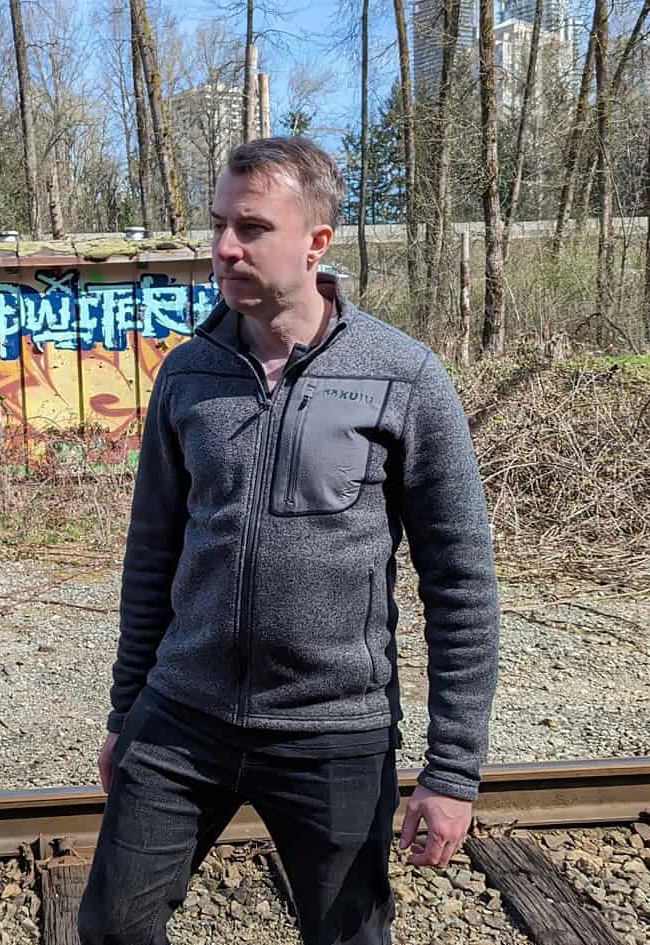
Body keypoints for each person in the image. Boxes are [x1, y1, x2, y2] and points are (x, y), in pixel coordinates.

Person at [77, 135, 501, 945]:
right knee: (112, 928)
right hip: (183, 717)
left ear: (317, 241)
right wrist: (126, 709)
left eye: (252, 228)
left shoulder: (403, 377)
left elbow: (461, 584)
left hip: (332, 730)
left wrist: (452, 770)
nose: (224, 247)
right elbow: (151, 556)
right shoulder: (188, 374)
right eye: (219, 225)